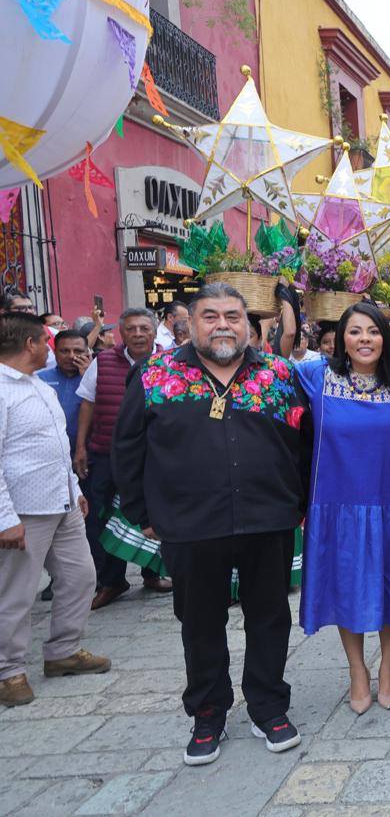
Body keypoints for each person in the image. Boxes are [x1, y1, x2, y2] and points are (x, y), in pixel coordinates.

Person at [113, 283, 309, 764]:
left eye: (232, 316)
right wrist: (144, 514)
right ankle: (208, 713)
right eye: (210, 316)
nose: (223, 324)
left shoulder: (280, 375)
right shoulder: (155, 375)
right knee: (200, 623)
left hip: (268, 519)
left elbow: (304, 443)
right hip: (190, 524)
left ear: (249, 324)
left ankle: (268, 706)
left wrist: (297, 502)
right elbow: (127, 448)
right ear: (189, 323)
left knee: (270, 617)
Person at [293, 302, 390, 714]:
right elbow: (271, 362)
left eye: (373, 331)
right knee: (346, 590)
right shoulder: (317, 376)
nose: (365, 339)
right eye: (355, 331)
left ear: (386, 337)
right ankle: (357, 671)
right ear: (341, 338)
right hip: (335, 507)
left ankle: (388, 667)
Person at [0, 312, 109, 707]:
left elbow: (57, 447)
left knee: (81, 577)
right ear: (29, 344)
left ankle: (63, 650)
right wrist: (4, 519)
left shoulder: (38, 385)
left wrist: (74, 487)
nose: (49, 348)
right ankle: (8, 671)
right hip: (22, 510)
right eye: (45, 342)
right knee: (17, 593)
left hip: (61, 502)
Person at [73, 307, 167, 608]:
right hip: (106, 453)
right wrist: (81, 447)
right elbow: (87, 404)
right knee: (104, 516)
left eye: (144, 328)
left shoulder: (171, 362)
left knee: (154, 514)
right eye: (131, 329)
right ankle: (113, 581)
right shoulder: (102, 362)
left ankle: (152, 574)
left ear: (154, 331)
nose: (138, 334)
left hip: (155, 456)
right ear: (120, 333)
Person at [37, 330, 91, 452]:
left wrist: (89, 378)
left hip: (88, 452)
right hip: (49, 451)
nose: (71, 356)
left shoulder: (98, 379)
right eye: (64, 351)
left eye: (78, 351)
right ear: (55, 352)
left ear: (87, 353)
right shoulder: (39, 379)